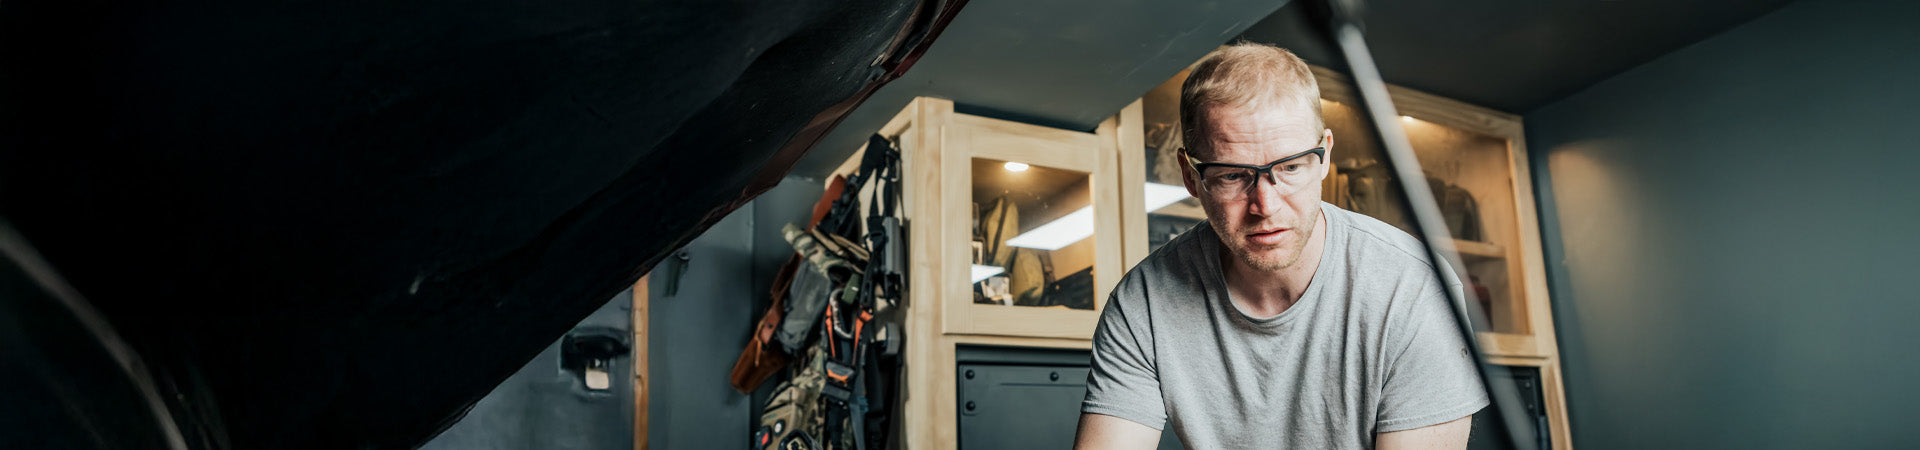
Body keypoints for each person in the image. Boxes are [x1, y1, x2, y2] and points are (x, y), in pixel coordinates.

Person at [1073, 43, 1488, 449]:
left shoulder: (1415, 287)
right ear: (1191, 176)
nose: (1265, 206)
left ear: (1324, 156)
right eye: (1233, 176)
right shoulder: (1143, 302)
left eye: (1290, 167)